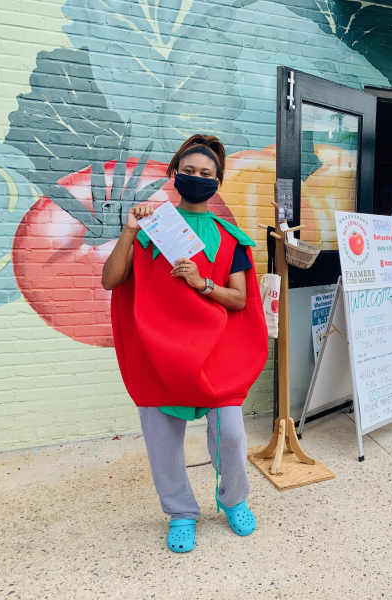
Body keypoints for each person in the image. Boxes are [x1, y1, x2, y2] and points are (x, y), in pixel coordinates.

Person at [102, 134, 269, 551]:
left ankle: (233, 499)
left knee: (229, 434)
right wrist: (129, 230)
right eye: (189, 171)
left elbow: (238, 299)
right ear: (174, 174)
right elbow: (111, 280)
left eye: (206, 173)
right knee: (162, 441)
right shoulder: (152, 226)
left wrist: (202, 283)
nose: (197, 178)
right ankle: (180, 511)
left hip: (216, 355)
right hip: (157, 350)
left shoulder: (232, 239)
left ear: (218, 181)